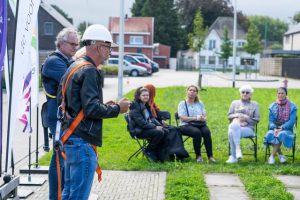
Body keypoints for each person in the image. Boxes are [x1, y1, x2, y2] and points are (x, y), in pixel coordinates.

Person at [58, 24, 130, 199]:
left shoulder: (74, 66)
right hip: (82, 142)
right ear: (99, 46)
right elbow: (91, 109)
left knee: (69, 193)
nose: (110, 52)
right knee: (78, 196)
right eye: (109, 47)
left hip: (71, 137)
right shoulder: (90, 71)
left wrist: (103, 105)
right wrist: (117, 109)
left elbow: (79, 104)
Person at [41, 28, 80, 200]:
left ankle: (62, 195)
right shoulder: (54, 62)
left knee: (62, 158)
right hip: (57, 117)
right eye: (72, 44)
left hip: (62, 116)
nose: (75, 47)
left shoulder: (66, 60)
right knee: (58, 159)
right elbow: (75, 80)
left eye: (77, 44)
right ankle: (55, 197)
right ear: (61, 43)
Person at [144, 84, 189, 160]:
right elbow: (149, 119)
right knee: (171, 131)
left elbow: (156, 116)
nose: (155, 94)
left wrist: (161, 121)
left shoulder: (152, 103)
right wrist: (159, 124)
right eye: (154, 92)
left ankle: (178, 152)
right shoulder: (145, 105)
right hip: (152, 127)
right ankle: (171, 153)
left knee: (176, 129)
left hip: (157, 124)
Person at [178, 85, 215, 163]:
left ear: (196, 93)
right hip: (185, 125)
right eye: (190, 90)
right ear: (187, 91)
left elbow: (205, 115)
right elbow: (182, 118)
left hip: (200, 124)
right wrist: (196, 118)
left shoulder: (200, 103)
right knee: (197, 132)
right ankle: (198, 156)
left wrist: (203, 118)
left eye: (194, 91)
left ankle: (210, 156)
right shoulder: (182, 103)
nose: (192, 92)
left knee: (206, 132)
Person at [129, 87, 165, 161]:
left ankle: (161, 153)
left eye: (147, 95)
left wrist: (160, 125)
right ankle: (149, 150)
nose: (146, 97)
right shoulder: (135, 107)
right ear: (139, 96)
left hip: (146, 128)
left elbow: (151, 118)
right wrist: (155, 127)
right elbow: (142, 123)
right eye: (144, 95)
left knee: (166, 130)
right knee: (159, 132)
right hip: (138, 131)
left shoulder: (145, 105)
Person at [226, 85, 260, 164]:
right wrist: (238, 116)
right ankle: (237, 150)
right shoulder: (234, 103)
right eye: (243, 92)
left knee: (231, 131)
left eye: (247, 92)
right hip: (236, 127)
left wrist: (246, 119)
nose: (245, 94)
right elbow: (229, 116)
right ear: (240, 93)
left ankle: (233, 156)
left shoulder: (255, 104)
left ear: (250, 95)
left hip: (248, 129)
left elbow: (257, 119)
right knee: (234, 127)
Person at [264, 87, 297, 164]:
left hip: (287, 129)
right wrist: (275, 128)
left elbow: (292, 121)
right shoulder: (272, 106)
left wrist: (281, 128)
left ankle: (272, 156)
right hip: (274, 128)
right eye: (279, 93)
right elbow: (270, 120)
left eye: (282, 93)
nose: (280, 95)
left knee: (281, 134)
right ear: (276, 94)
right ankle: (281, 155)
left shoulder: (292, 106)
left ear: (286, 94)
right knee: (270, 134)